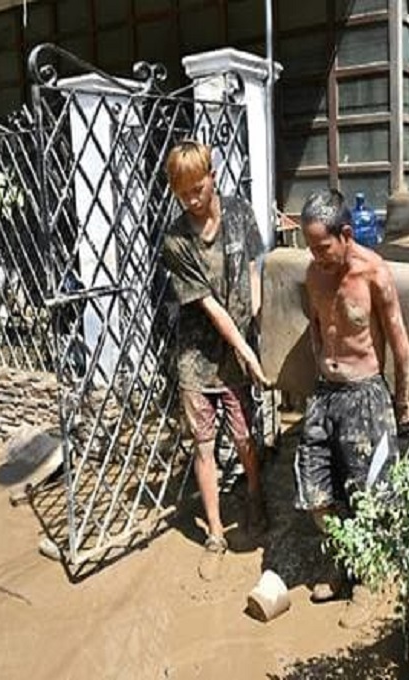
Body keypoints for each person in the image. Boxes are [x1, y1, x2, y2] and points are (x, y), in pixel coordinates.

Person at [295, 189, 409, 628]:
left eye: (323, 247)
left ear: (346, 234)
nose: (317, 257)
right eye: (310, 248)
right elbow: (315, 327)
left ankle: (367, 578)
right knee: (314, 493)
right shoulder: (313, 273)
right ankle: (343, 559)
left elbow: (400, 345)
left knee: (371, 496)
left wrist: (402, 405)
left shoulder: (374, 274)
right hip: (325, 393)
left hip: (366, 394)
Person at [162, 140, 269, 582]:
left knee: (245, 436)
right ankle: (216, 534)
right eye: (183, 191)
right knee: (204, 446)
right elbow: (209, 306)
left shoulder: (240, 211)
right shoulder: (175, 239)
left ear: (212, 176)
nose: (193, 198)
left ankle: (255, 493)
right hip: (197, 355)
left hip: (242, 344)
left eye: (198, 186)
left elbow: (255, 266)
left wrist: (259, 321)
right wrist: (244, 349)